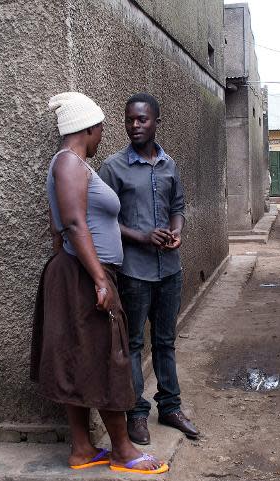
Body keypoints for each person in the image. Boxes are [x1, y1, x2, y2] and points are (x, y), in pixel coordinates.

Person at [30, 92, 168, 475]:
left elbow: (58, 227)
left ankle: (81, 449)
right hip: (85, 275)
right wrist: (99, 280)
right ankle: (123, 451)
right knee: (112, 358)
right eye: (101, 129)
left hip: (75, 270)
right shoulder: (71, 164)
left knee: (80, 358)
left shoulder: (68, 165)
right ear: (88, 129)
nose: (103, 135)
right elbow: (73, 224)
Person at [98, 93, 200, 445]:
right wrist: (142, 237)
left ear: (156, 121)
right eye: (130, 120)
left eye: (142, 119)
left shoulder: (169, 165)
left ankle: (170, 408)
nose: (135, 126)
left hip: (169, 269)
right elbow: (103, 219)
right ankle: (136, 414)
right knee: (136, 343)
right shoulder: (113, 168)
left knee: (166, 341)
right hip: (135, 272)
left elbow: (178, 205)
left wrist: (177, 232)